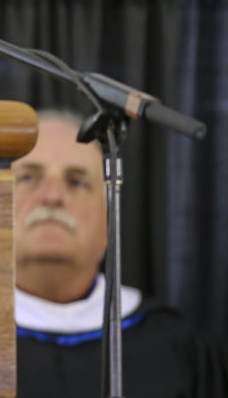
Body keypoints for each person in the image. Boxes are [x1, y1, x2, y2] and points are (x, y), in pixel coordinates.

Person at [12, 109, 228, 397]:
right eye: (28, 178)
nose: (52, 196)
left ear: (107, 223)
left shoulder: (178, 349)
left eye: (77, 182)